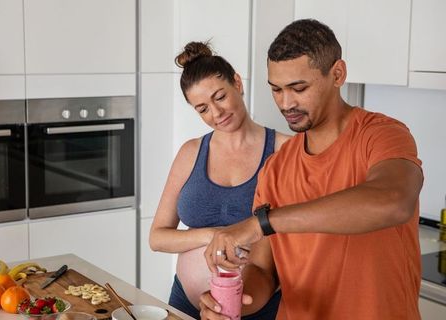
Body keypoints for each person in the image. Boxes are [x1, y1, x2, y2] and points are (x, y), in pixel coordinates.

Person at [200, 19, 424, 320]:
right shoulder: (277, 167)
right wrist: (237, 300)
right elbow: (265, 270)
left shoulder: (382, 135)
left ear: (337, 74)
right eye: (276, 89)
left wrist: (259, 224)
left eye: (299, 88)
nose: (286, 103)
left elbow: (393, 201)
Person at [149, 41, 290, 319]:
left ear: (237, 83)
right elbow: (157, 237)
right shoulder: (191, 152)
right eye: (202, 108)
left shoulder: (284, 150)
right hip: (185, 303)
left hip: (256, 305)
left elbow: (299, 234)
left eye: (220, 97)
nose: (216, 113)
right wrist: (215, 236)